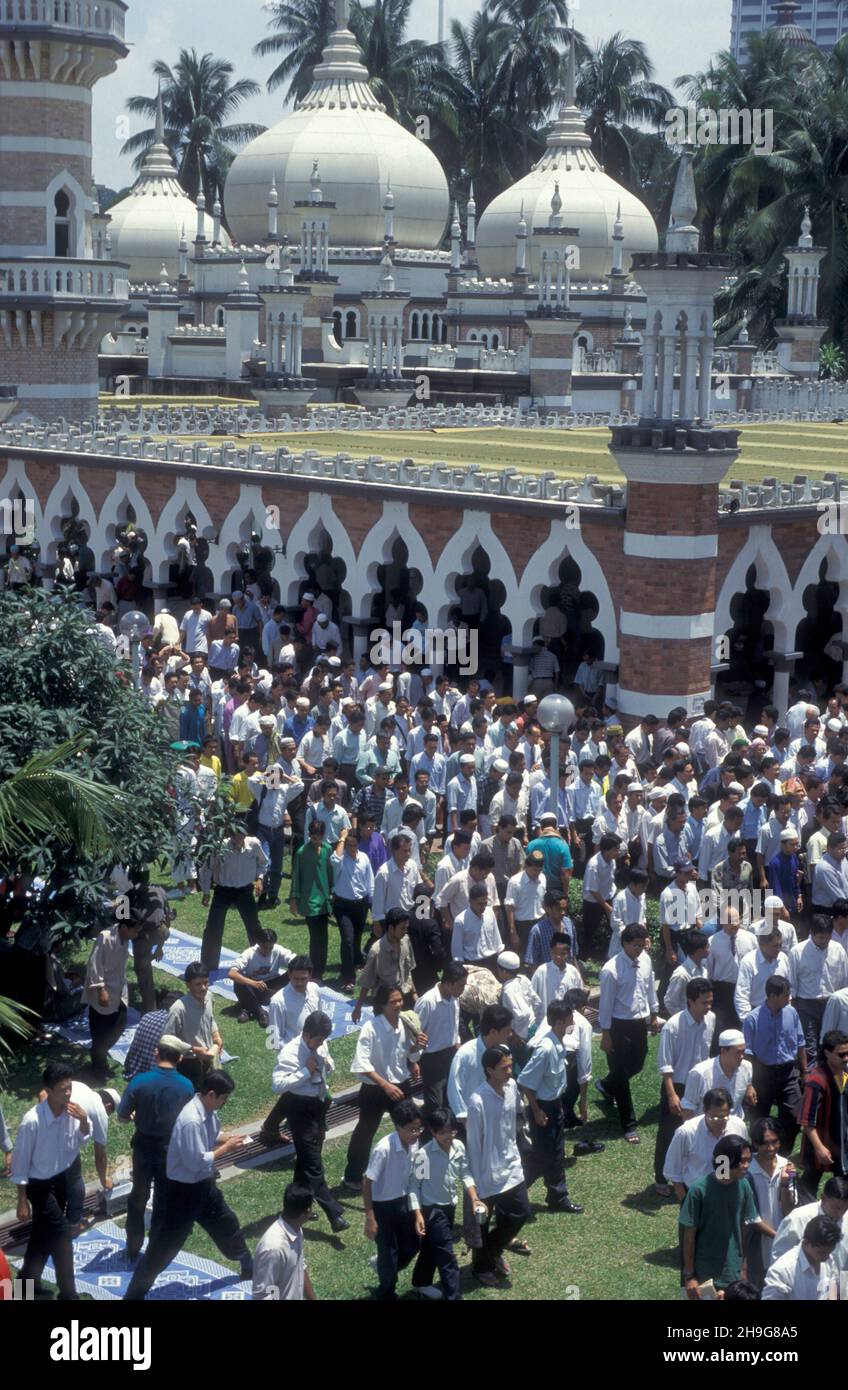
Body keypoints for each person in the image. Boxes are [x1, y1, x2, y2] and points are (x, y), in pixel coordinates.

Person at [124, 1070, 252, 1300]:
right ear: (211, 1094)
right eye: (224, 1098)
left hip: (204, 1186)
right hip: (181, 1193)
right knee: (162, 1250)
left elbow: (211, 1134)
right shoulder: (191, 1120)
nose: (225, 1103)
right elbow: (195, 1162)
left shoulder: (208, 1111)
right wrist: (226, 1149)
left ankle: (247, 1264)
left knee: (227, 1225)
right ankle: (133, 1296)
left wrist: (227, 1138)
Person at [11, 1063, 92, 1301]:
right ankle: (69, 1295)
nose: (68, 1094)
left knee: (41, 1239)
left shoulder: (73, 1112)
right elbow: (20, 1163)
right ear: (48, 1090)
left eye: (69, 1088)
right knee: (62, 1236)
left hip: (61, 1180)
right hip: (39, 1186)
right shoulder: (32, 1121)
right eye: (62, 1090)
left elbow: (82, 1140)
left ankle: (23, 1291)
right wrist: (22, 1200)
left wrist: (85, 1120)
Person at [268, 1010, 349, 1233]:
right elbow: (277, 1085)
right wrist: (306, 1071)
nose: (321, 1043)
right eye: (318, 1039)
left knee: (305, 1163)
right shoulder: (290, 1053)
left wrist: (327, 1064)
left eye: (323, 1040)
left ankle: (296, 1207)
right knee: (313, 1165)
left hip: (318, 1106)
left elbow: (327, 1063)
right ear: (306, 1034)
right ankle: (335, 1214)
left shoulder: (320, 1046)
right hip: (299, 1109)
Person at [116, 1035, 194, 1260]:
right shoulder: (186, 1086)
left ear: (156, 1053)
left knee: (138, 1196)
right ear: (179, 1058)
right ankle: (156, 1251)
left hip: (142, 1147)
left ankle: (132, 1247)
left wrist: (133, 1115)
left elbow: (122, 1116)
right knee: (162, 1199)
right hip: (169, 1150)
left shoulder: (139, 1082)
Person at [465, 1044, 532, 1288]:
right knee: (482, 1224)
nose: (510, 1071)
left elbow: (516, 1118)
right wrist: (476, 1184)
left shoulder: (512, 1087)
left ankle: (493, 1251)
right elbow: (474, 1145)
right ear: (489, 1070)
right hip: (487, 1172)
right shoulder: (477, 1101)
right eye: (504, 1068)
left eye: (510, 1065)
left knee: (521, 1211)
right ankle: (481, 1267)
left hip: (511, 1165)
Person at [343, 984, 423, 1188]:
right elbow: (361, 1064)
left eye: (400, 1000)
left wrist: (416, 1049)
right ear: (382, 1005)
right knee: (365, 1132)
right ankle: (353, 1176)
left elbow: (408, 1055)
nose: (398, 1005)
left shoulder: (405, 1022)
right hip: (375, 1089)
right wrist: (385, 1085)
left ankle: (411, 1170)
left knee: (411, 1127)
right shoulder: (371, 1028)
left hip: (401, 1084)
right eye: (393, 1002)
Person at [680, 1135, 769, 1298]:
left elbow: (744, 1228)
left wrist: (743, 1267)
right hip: (704, 1273)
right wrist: (689, 1275)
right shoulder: (699, 1190)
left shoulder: (744, 1186)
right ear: (725, 1161)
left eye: (749, 1160)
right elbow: (689, 1235)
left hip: (732, 1273)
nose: (746, 1166)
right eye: (742, 1161)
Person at [518, 1000, 584, 1214]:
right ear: (558, 1022)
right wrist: (537, 1111)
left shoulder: (558, 1043)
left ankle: (558, 1197)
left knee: (556, 1154)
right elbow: (526, 1082)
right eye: (569, 1020)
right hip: (543, 1109)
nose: (573, 1022)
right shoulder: (545, 1049)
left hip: (554, 1106)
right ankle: (513, 1194)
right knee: (542, 1157)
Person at [407, 1106, 480, 1300]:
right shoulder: (424, 1156)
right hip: (432, 1211)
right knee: (447, 1255)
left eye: (451, 1131)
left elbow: (465, 1173)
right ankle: (453, 1296)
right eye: (442, 1133)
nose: (448, 1136)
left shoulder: (459, 1147)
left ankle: (421, 1282)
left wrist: (474, 1198)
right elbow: (414, 1187)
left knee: (431, 1247)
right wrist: (418, 1214)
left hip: (450, 1207)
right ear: (433, 1132)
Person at [596, 924, 660, 1143]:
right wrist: (606, 1033)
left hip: (638, 1023)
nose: (640, 950)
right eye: (636, 946)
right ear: (624, 944)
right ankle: (629, 1124)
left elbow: (650, 988)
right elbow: (605, 1004)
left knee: (638, 1063)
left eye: (642, 946)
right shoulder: (611, 970)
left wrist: (653, 1014)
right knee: (622, 1075)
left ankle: (606, 1084)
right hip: (617, 1025)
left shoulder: (646, 961)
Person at [653, 978, 715, 1196]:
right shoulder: (673, 1026)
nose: (708, 1007)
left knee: (698, 1132)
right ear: (690, 1002)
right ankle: (661, 1178)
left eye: (710, 1002)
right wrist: (671, 1095)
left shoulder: (711, 1020)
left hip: (700, 1085)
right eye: (704, 1003)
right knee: (669, 1133)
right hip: (677, 1085)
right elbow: (665, 1064)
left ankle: (691, 1176)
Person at [363, 1098, 424, 1300]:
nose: (415, 1134)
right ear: (398, 1127)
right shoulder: (384, 1149)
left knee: (414, 1244)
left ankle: (384, 1268)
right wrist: (370, 1217)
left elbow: (419, 1173)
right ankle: (386, 1292)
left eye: (418, 1128)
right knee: (389, 1251)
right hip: (383, 1207)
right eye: (411, 1130)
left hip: (404, 1201)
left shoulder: (415, 1144)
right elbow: (367, 1182)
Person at [743, 975, 807, 1154]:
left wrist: (805, 1071)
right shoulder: (752, 1019)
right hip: (762, 1074)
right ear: (772, 995)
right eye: (786, 995)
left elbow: (800, 1042)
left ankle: (782, 1153)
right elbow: (747, 1054)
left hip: (788, 1072)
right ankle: (758, 1154)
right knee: (758, 1118)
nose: (789, 998)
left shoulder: (792, 1013)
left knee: (795, 1115)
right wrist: (749, 1084)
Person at [199, 823, 268, 970]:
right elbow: (207, 869)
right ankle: (208, 965)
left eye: (240, 836)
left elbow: (263, 863)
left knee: (253, 926)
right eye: (234, 837)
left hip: (244, 890)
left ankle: (259, 961)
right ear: (229, 836)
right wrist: (206, 892)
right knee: (213, 928)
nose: (238, 840)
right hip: (223, 890)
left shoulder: (254, 844)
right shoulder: (220, 847)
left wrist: (260, 879)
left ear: (245, 835)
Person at [84, 916, 142, 1079]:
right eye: (135, 931)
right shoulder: (105, 937)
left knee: (119, 1024)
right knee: (100, 1032)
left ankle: (99, 1054)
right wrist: (101, 989)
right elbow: (94, 965)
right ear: (124, 928)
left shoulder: (124, 939)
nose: (136, 935)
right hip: (103, 989)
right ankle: (98, 1067)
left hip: (118, 988)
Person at [663, 1088, 749, 1198]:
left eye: (724, 1117)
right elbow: (673, 1171)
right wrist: (686, 1203)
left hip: (732, 1192)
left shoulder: (738, 1126)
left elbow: (745, 1157)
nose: (720, 1121)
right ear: (705, 1110)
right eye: (714, 1117)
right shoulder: (686, 1132)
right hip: (699, 1195)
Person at [745, 1117, 796, 1288]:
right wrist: (777, 1235)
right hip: (756, 1242)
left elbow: (789, 1211)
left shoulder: (787, 1167)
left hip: (782, 1241)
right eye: (765, 1143)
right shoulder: (746, 1171)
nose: (771, 1148)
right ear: (755, 1144)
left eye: (775, 1142)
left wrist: (784, 1184)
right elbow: (749, 1215)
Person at [798, 1028, 848, 1201]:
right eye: (841, 1055)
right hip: (821, 1142)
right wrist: (819, 1148)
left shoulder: (845, 1073)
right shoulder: (816, 1080)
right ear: (827, 1053)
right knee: (809, 1184)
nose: (846, 1058)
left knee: (843, 1183)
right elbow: (807, 1121)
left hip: (841, 1141)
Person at [788, 914, 848, 1057]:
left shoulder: (838, 949)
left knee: (832, 1042)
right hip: (807, 1005)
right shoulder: (797, 952)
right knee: (810, 1045)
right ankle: (812, 1076)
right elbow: (792, 981)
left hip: (832, 1003)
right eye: (821, 938)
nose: (825, 941)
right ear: (812, 934)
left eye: (827, 937)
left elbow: (845, 978)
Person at [446, 1004, 514, 1129]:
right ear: (493, 1032)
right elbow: (454, 1089)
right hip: (473, 1121)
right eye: (507, 1031)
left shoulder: (505, 1051)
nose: (510, 1034)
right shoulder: (465, 1054)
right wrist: (465, 1119)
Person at [416, 962, 468, 1115]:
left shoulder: (454, 998)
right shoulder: (427, 1002)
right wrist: (414, 1060)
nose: (463, 989)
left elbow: (455, 1023)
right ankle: (432, 1134)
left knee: (452, 1098)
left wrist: (457, 1041)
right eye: (460, 985)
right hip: (432, 1058)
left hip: (451, 1054)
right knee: (435, 1104)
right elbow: (415, 1032)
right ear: (448, 983)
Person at [252, 1183, 317, 1300]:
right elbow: (263, 1295)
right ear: (306, 1212)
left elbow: (300, 1266)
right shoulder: (273, 1248)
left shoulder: (296, 1230)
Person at [164, 962, 223, 1091]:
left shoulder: (209, 997)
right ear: (188, 985)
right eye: (198, 984)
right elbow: (167, 1041)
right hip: (189, 1061)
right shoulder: (178, 1009)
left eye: (206, 983)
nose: (203, 988)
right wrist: (194, 1050)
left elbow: (210, 1018)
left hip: (208, 1055)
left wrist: (216, 1035)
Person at [352, 907, 417, 1022]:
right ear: (391, 928)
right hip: (384, 1002)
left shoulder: (406, 940)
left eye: (407, 928)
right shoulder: (376, 951)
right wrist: (358, 1008)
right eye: (402, 928)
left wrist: (414, 994)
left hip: (404, 996)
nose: (405, 931)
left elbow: (408, 971)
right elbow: (367, 981)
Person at [770, 1174, 848, 1268]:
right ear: (823, 1198)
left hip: (839, 1279)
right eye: (835, 1208)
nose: (840, 1214)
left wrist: (844, 1282)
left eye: (844, 1209)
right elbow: (779, 1257)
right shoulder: (798, 1219)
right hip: (801, 1280)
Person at [330, 825, 375, 991]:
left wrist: (372, 904)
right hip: (343, 905)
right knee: (347, 939)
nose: (352, 848)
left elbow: (370, 882)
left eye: (355, 845)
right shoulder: (340, 859)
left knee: (356, 939)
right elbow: (334, 860)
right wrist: (342, 838)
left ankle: (355, 962)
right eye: (349, 845)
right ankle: (348, 976)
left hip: (360, 905)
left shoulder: (363, 858)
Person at [761, 1215, 842, 1300]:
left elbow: (833, 1293)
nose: (826, 1257)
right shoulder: (782, 1270)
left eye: (829, 1252)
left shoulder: (830, 1261)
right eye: (821, 1253)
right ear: (806, 1243)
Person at [682, 1028, 755, 1120]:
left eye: (743, 1051)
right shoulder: (699, 1073)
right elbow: (688, 1108)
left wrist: (749, 1087)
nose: (742, 1056)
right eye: (738, 1052)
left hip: (734, 1125)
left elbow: (747, 1081)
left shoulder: (747, 1067)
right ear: (723, 1051)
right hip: (706, 1127)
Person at [227, 928, 293, 1026]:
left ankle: (246, 1007)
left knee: (293, 971)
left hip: (273, 983)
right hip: (254, 985)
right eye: (264, 947)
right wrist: (254, 983)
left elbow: (296, 961)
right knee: (239, 983)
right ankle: (260, 1013)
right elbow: (231, 973)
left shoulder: (278, 950)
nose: (267, 950)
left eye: (270, 947)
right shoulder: (249, 953)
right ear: (258, 943)